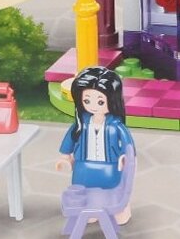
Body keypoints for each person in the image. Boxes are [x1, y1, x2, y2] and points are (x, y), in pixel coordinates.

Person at [57, 66, 135, 222]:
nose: (93, 106)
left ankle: (120, 208)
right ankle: (90, 210)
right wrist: (65, 157)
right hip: (83, 168)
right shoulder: (81, 124)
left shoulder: (116, 126)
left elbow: (128, 145)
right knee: (83, 190)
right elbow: (70, 138)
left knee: (113, 190)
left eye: (100, 101)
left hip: (110, 167)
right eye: (87, 100)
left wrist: (126, 157)